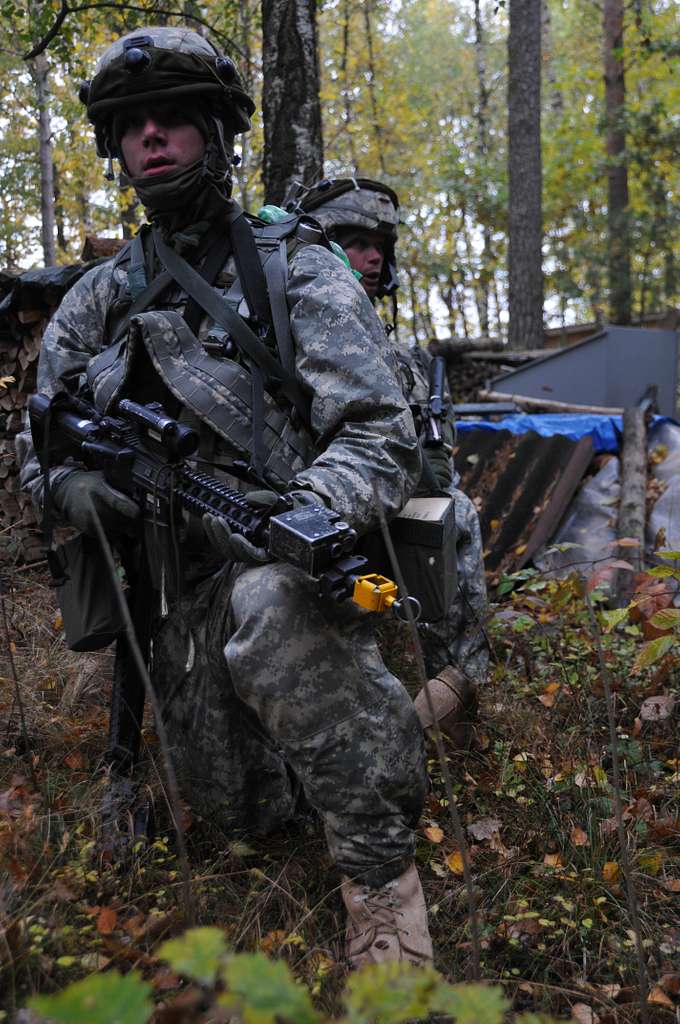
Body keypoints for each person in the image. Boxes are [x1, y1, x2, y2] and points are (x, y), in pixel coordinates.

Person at [17, 29, 433, 967]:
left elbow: (378, 427)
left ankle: (383, 895)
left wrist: (302, 516)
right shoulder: (96, 300)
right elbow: (36, 439)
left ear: (215, 132)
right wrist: (71, 485)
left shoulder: (296, 270)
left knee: (277, 603)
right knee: (241, 817)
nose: (153, 139)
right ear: (116, 149)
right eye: (133, 127)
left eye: (173, 120)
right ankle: (309, 745)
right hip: (173, 604)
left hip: (273, 566)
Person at [287, 178, 489, 736]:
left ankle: (454, 680)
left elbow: (434, 460)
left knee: (454, 512)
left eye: (381, 245)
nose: (373, 257)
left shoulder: (401, 353)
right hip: (313, 512)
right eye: (354, 242)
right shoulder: (289, 335)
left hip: (390, 511)